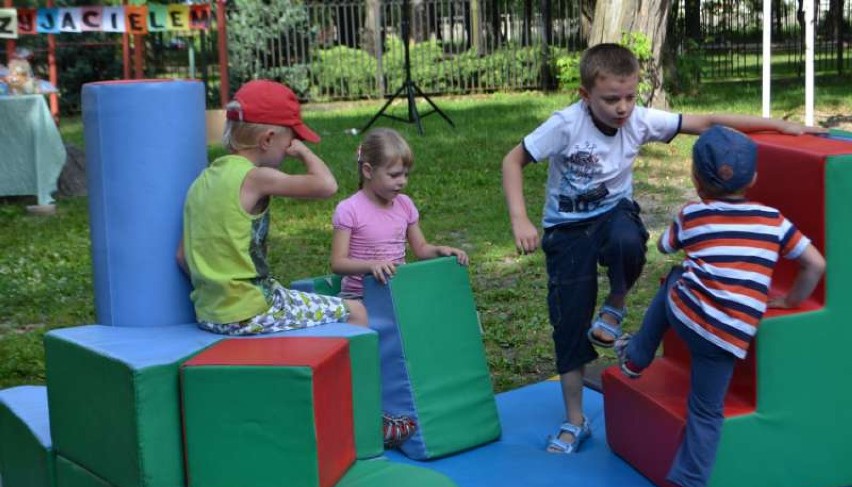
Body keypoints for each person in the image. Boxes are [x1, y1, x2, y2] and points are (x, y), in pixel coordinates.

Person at [500, 42, 825, 457]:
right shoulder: (565, 124)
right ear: (585, 96)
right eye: (611, 99)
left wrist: (780, 126)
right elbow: (513, 161)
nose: (622, 108)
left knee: (628, 239)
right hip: (566, 230)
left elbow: (707, 121)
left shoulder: (639, 120)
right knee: (568, 320)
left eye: (631, 97)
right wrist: (519, 220)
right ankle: (575, 419)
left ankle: (616, 304)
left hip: (613, 213)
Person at [614, 126, 825, 487]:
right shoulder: (774, 221)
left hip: (689, 319)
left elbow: (664, 247)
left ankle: (637, 356)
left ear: (696, 180)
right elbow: (815, 265)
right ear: (753, 180)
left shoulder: (693, 215)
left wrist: (688, 231)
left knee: (674, 279)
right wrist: (786, 300)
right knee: (707, 412)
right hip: (731, 336)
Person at [177, 79, 367, 335]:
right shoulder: (255, 177)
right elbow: (327, 185)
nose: (290, 147)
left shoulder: (201, 182)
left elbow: (182, 256)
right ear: (268, 139)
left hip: (209, 314)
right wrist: (304, 153)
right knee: (355, 311)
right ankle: (353, 376)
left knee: (286, 294)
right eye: (291, 140)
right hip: (252, 311)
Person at [330, 127, 469, 447]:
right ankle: (375, 415)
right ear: (367, 170)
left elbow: (420, 249)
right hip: (360, 297)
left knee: (424, 340)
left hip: (397, 295)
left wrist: (441, 250)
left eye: (405, 174)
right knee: (373, 352)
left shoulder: (404, 205)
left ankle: (424, 408)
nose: (402, 182)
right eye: (394, 174)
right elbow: (338, 262)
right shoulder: (349, 209)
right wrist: (370, 266)